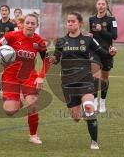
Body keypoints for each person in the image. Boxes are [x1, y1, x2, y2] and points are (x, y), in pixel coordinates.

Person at [0, 13, 50, 144]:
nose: (30, 26)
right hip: (10, 77)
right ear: (23, 24)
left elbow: (46, 60)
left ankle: (33, 135)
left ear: (37, 26)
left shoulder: (39, 41)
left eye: (33, 23)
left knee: (32, 105)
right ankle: (19, 98)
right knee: (10, 111)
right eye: (28, 23)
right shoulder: (12, 36)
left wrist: (41, 77)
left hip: (29, 77)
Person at [50, 12, 117, 150]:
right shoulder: (61, 41)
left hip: (85, 81)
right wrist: (53, 59)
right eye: (68, 21)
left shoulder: (88, 40)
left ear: (80, 23)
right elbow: (57, 57)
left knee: (89, 108)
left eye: (73, 21)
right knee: (76, 117)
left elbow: (103, 53)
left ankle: (94, 142)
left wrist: (110, 53)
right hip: (68, 84)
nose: (70, 23)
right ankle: (80, 107)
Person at [88, 0, 118, 113]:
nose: (100, 6)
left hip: (107, 52)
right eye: (99, 4)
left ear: (106, 6)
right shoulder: (92, 19)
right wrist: (89, 36)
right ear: (96, 5)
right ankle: (94, 100)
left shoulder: (112, 19)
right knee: (95, 76)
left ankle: (102, 102)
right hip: (94, 51)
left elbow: (114, 36)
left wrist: (102, 30)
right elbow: (92, 34)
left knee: (104, 78)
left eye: (103, 4)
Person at [0, 5, 16, 99]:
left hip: (8, 53)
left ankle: (9, 91)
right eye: (2, 10)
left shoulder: (12, 25)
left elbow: (15, 38)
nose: (4, 12)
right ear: (0, 12)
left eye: (5, 10)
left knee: (8, 74)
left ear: (8, 12)